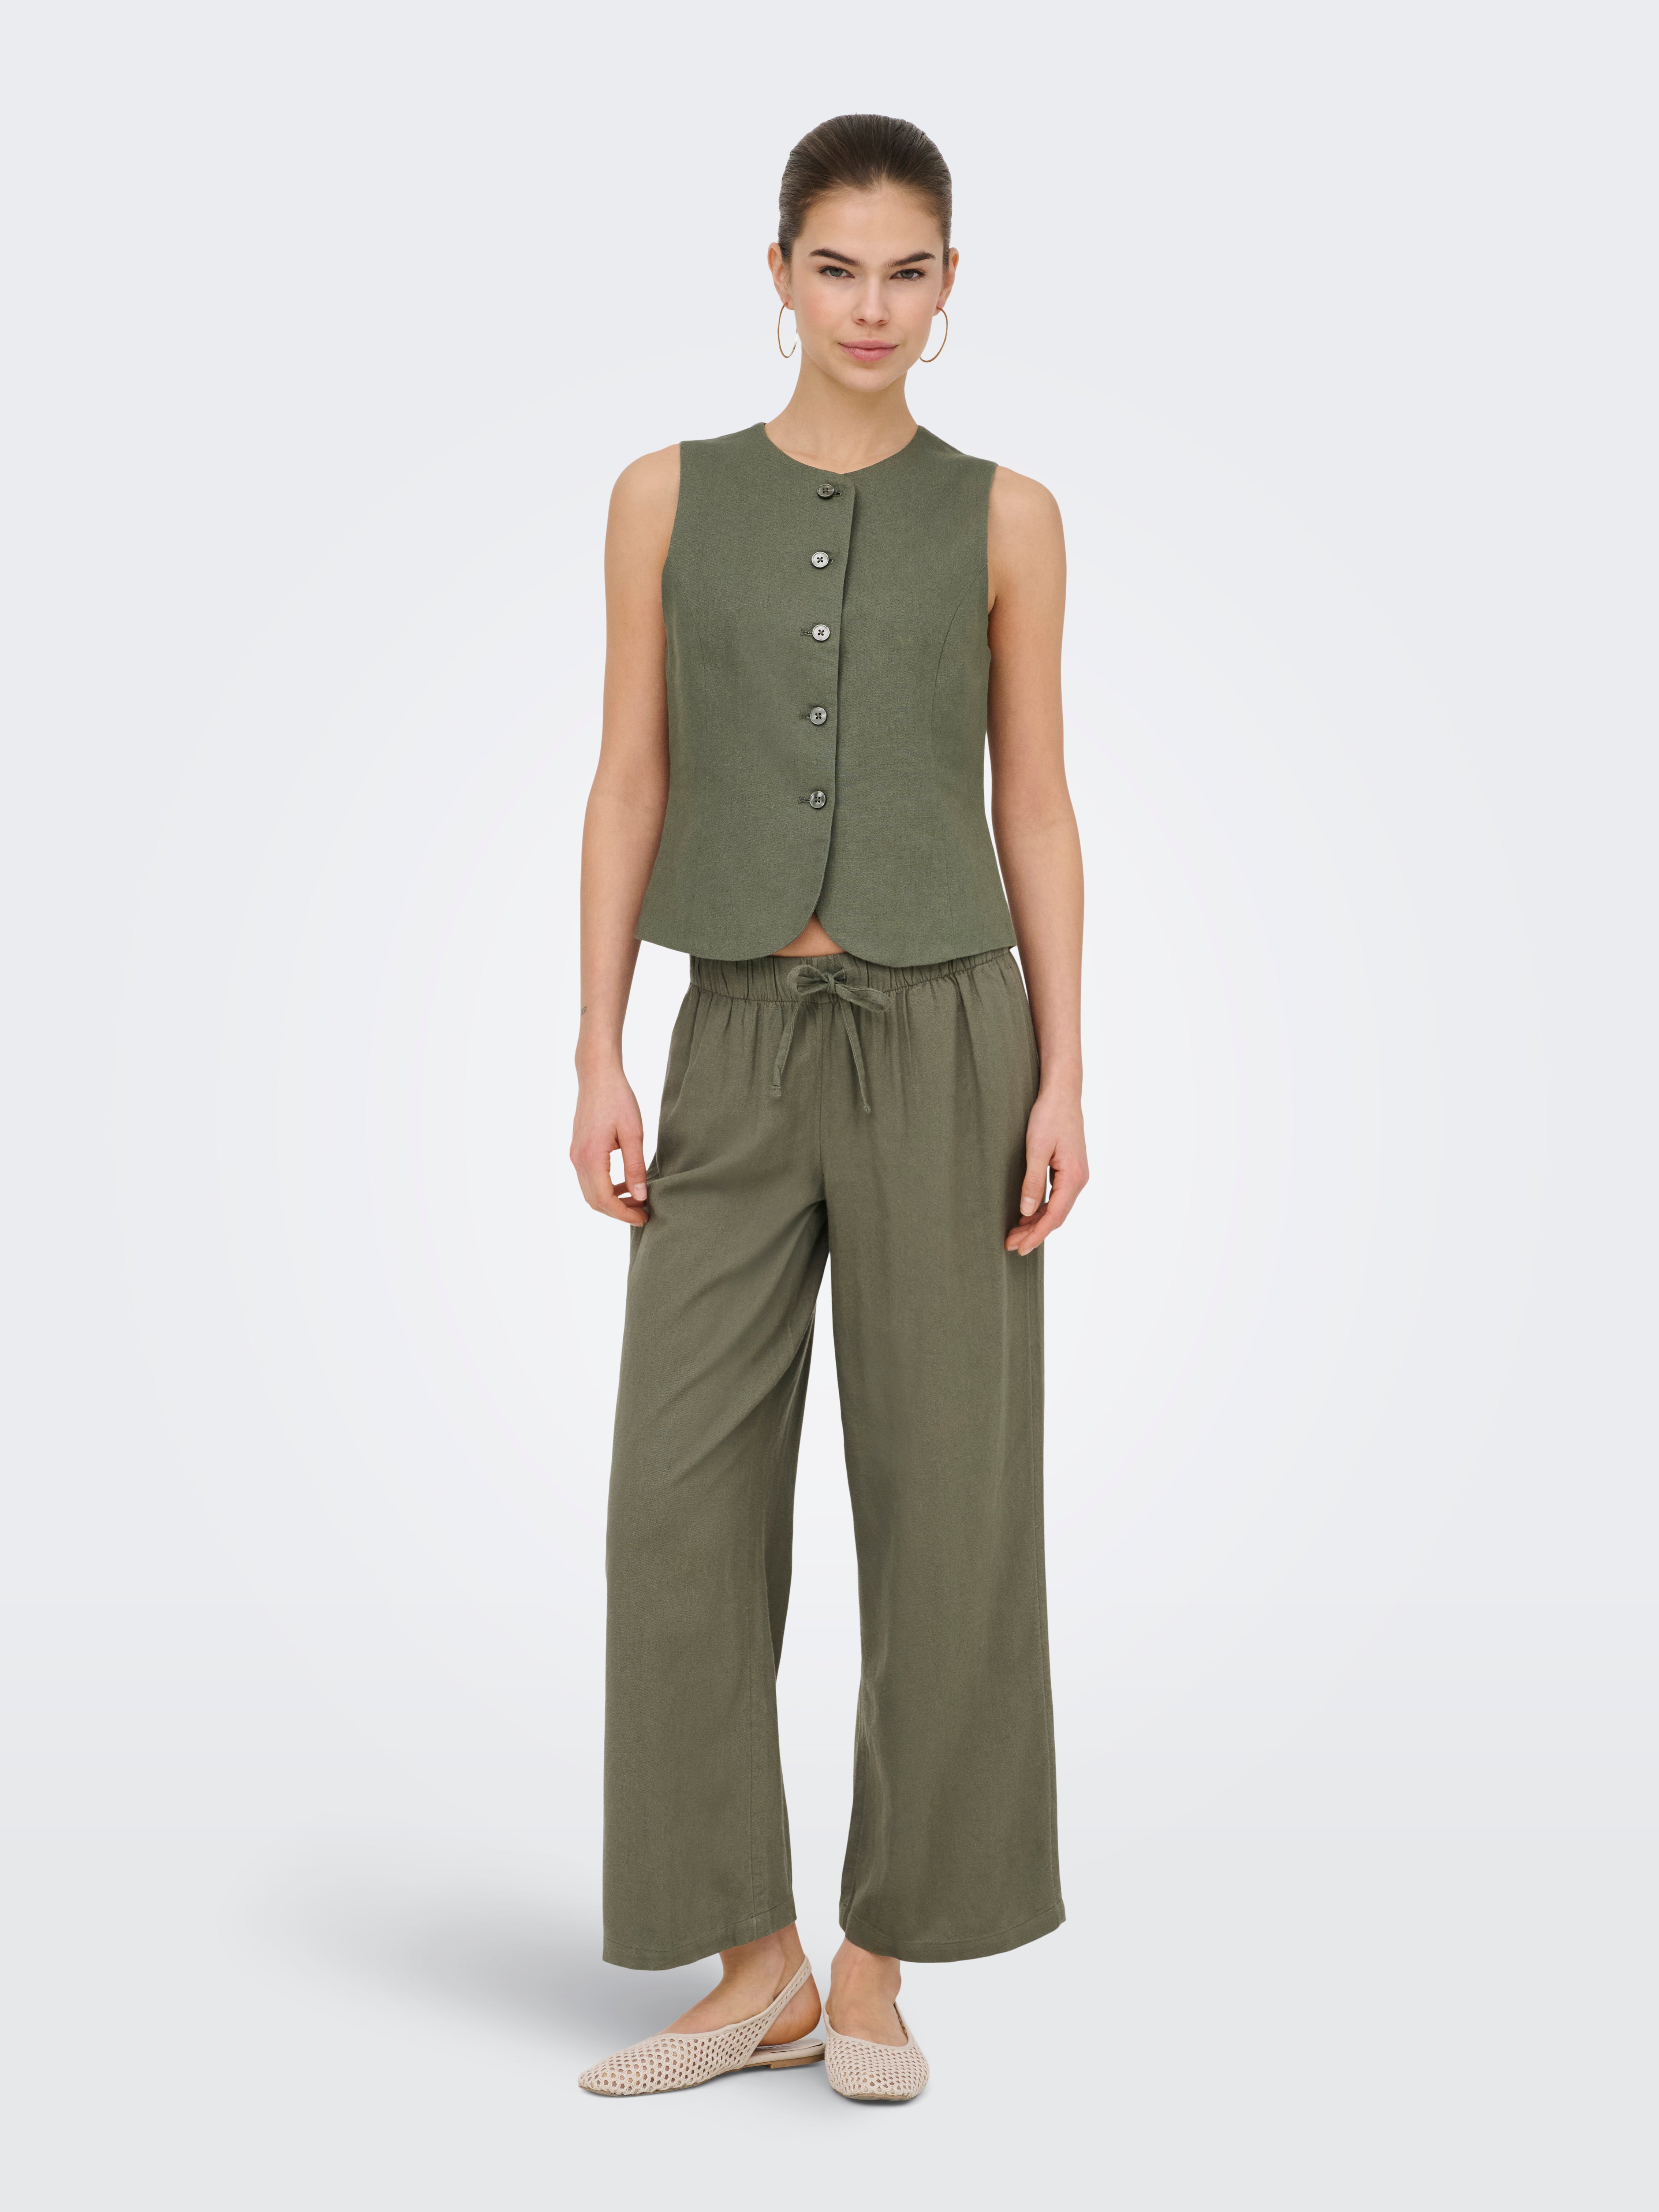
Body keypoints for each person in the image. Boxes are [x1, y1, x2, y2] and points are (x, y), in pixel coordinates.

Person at [570, 112, 1086, 2102]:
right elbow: (628, 778)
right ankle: (754, 1963)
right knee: (675, 1504)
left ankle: (878, 1969)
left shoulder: (1009, 517)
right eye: (837, 267)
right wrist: (595, 1046)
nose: (872, 306)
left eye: (909, 271)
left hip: (952, 1034)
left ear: (950, 288)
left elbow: (1036, 802)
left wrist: (1065, 1065)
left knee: (949, 1500)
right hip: (728, 1031)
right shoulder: (662, 495)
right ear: (778, 273)